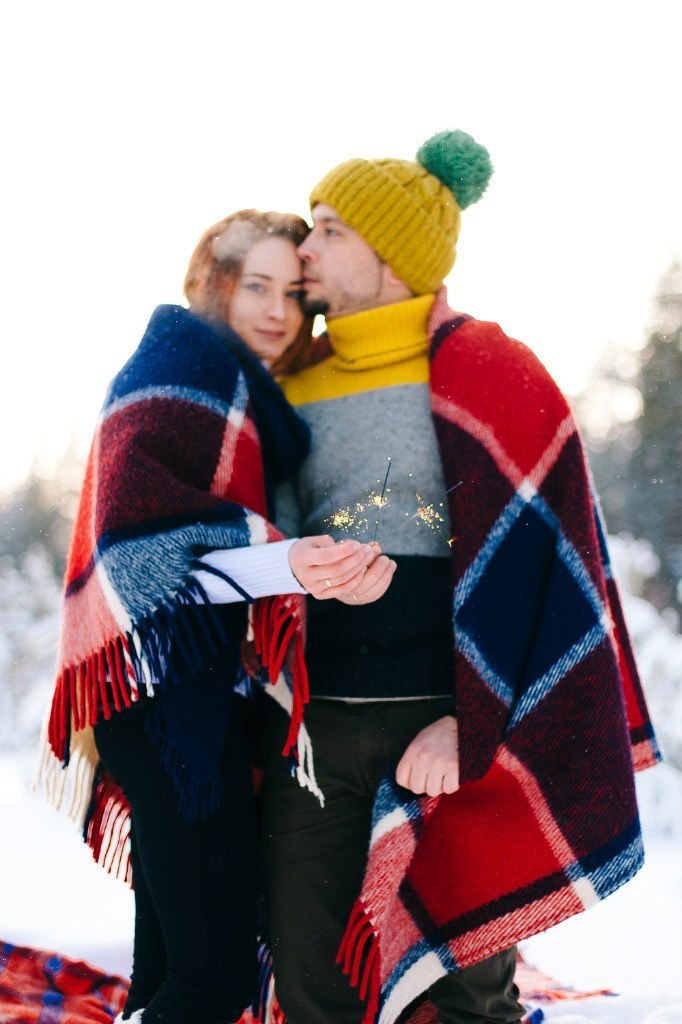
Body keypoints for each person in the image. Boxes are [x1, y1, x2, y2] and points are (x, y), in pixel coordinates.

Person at [257, 132, 661, 1024]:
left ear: (393, 255)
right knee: (311, 980)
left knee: (469, 989)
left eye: (329, 230)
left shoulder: (494, 373)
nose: (305, 249)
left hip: (446, 724)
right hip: (314, 727)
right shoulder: (288, 383)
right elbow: (259, 545)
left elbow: (544, 587)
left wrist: (465, 726)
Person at [38, 209, 390, 1024]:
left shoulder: (241, 396)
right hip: (166, 709)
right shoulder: (183, 370)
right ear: (213, 282)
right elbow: (148, 556)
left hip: (179, 703)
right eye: (256, 285)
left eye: (294, 294)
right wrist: (289, 562)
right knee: (210, 981)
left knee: (167, 972)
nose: (277, 309)